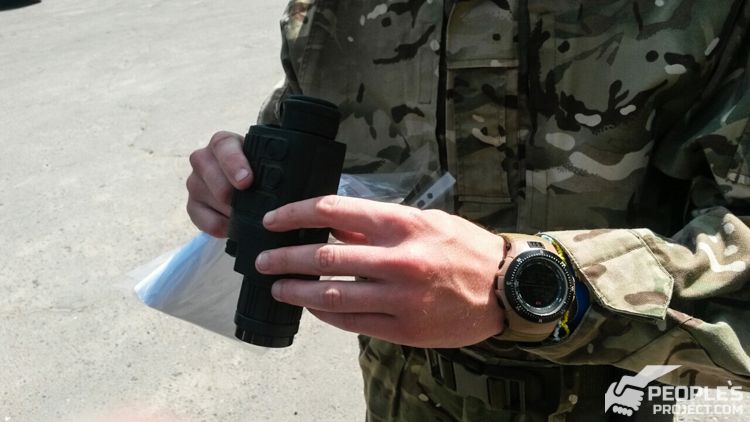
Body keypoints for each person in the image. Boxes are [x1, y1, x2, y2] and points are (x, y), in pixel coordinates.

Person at [186, 0, 750, 420]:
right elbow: (311, 121)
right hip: (403, 397)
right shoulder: (332, 10)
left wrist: (530, 285)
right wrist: (245, 178)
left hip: (639, 399)